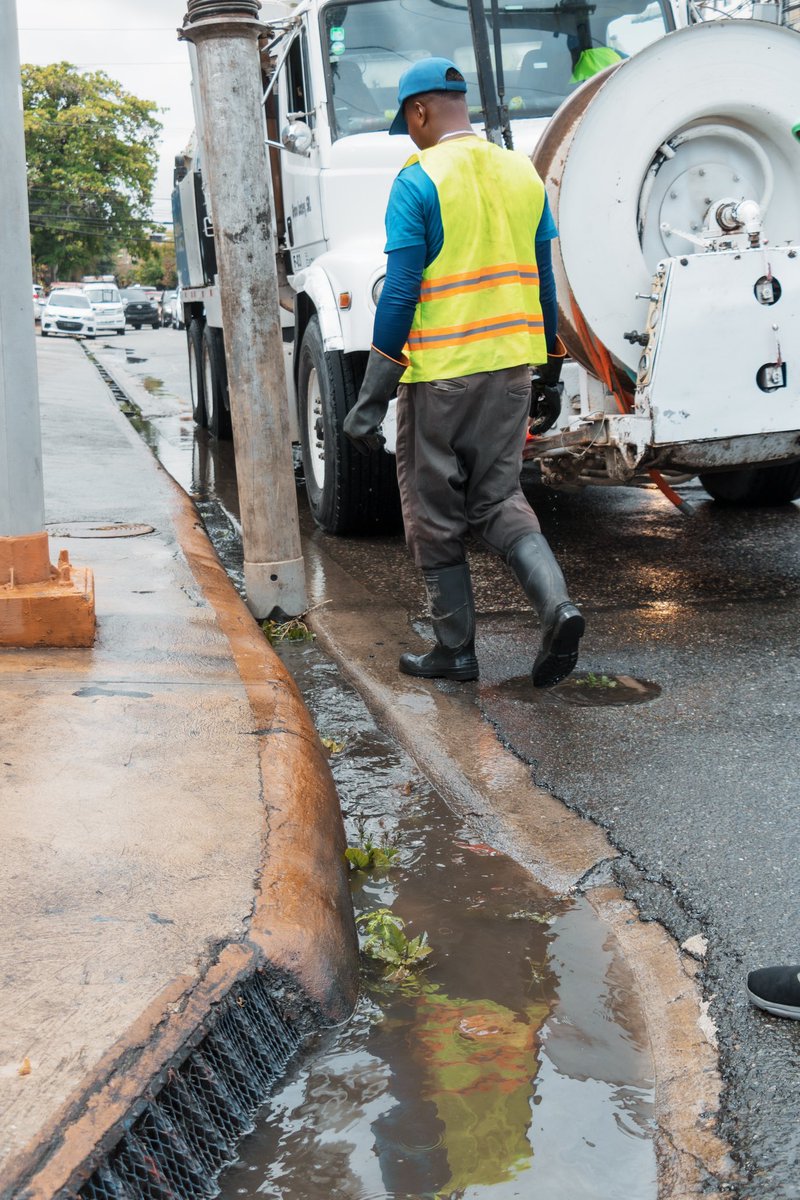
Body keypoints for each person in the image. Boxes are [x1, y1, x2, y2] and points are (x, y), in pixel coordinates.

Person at [343, 58, 584, 688]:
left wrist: (372, 395)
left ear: (420, 111)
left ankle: (455, 651)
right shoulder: (521, 175)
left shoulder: (417, 178)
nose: (411, 134)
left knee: (433, 511)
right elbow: (544, 284)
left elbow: (400, 292)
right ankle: (558, 606)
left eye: (409, 123)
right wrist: (552, 370)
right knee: (500, 498)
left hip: (441, 376)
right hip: (510, 370)